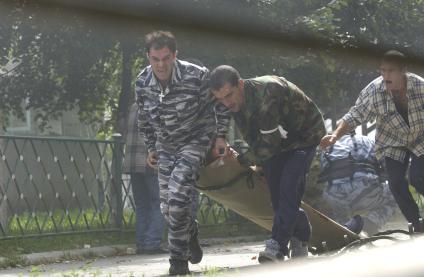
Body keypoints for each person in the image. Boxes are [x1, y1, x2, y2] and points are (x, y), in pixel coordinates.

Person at [209, 65, 326, 262]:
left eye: (229, 95)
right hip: (277, 142)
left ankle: (277, 246)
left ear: (240, 84)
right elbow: (255, 137)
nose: (226, 103)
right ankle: (301, 232)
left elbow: (268, 147)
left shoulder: (267, 92)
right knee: (277, 198)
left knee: (289, 187)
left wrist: (240, 160)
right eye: (221, 99)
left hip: (304, 137)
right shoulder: (234, 102)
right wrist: (221, 138)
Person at [135, 31, 229, 275]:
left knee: (177, 198)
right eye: (155, 59)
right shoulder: (142, 82)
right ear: (148, 57)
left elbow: (220, 103)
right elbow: (144, 118)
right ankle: (191, 232)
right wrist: (151, 147)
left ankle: (177, 262)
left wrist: (221, 136)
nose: (161, 64)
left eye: (166, 58)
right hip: (166, 146)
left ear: (175, 55)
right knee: (168, 208)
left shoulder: (196, 75)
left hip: (195, 141)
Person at [320, 50, 424, 232]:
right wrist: (335, 136)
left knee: (417, 177)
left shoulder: (420, 87)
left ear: (403, 71)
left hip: (420, 137)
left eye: (391, 71)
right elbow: (354, 115)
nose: (386, 76)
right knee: (395, 182)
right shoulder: (374, 91)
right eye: (383, 71)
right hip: (392, 141)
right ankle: (417, 224)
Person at [318, 132, 398, 235]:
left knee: (339, 212)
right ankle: (370, 223)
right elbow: (388, 170)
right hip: (363, 189)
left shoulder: (329, 145)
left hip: (333, 195)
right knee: (397, 195)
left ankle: (345, 228)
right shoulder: (368, 141)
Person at [122, 103, 166, 254]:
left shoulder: (134, 107)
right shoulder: (157, 104)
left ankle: (141, 243)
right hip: (151, 162)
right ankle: (152, 242)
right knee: (159, 202)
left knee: (142, 205)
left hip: (133, 162)